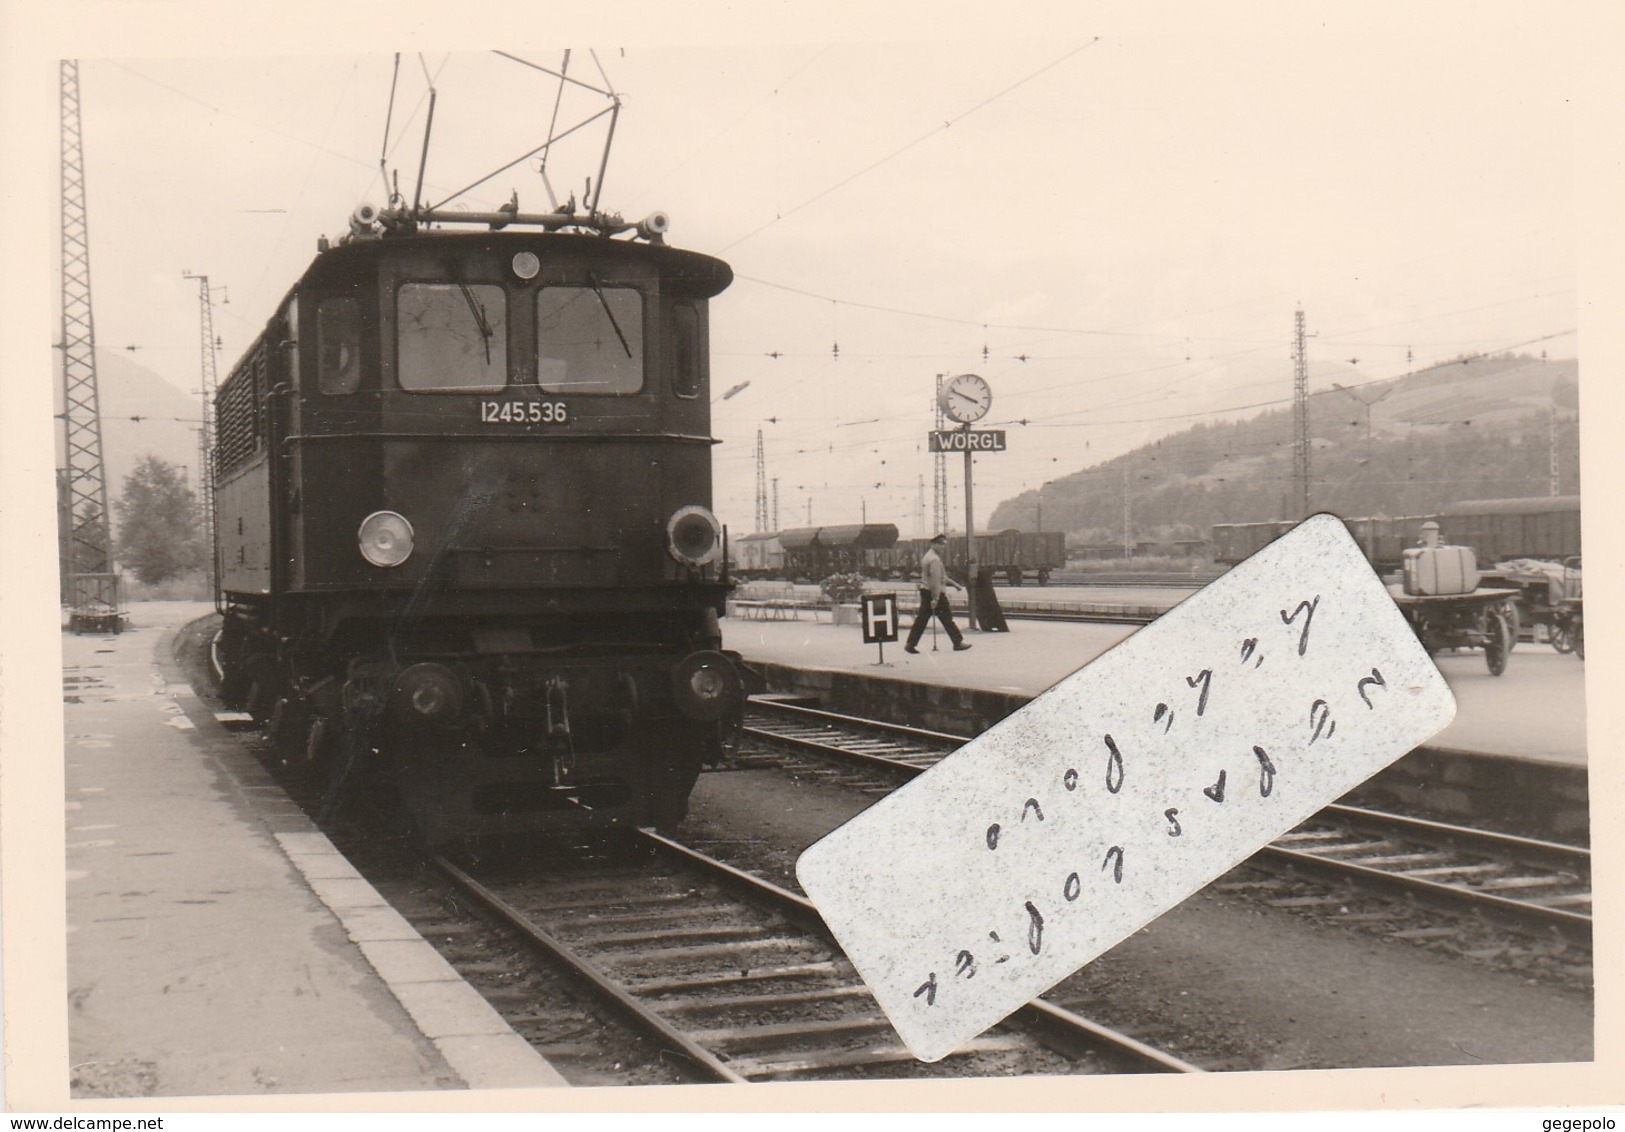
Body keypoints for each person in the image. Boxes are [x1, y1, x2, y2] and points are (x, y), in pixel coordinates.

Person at [905, 533, 971, 653]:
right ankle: (957, 642)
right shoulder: (934, 559)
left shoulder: (928, 556)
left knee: (922, 619)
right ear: (933, 544)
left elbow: (940, 576)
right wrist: (935, 599)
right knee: (947, 619)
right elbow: (935, 580)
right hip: (934, 593)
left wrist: (955, 584)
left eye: (943, 544)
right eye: (940, 544)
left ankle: (910, 644)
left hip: (927, 591)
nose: (942, 547)